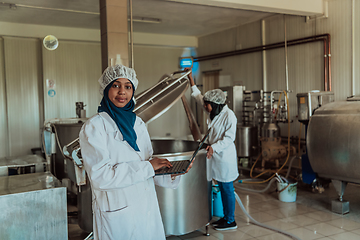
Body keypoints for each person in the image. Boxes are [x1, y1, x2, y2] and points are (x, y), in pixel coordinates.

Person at [79, 64, 190, 240]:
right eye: (116, 85)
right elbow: (101, 177)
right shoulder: (94, 127)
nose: (122, 91)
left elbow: (147, 163)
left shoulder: (138, 123)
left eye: (128, 86)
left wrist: (170, 172)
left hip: (146, 208)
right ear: (106, 89)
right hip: (117, 212)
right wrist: (148, 167)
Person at [186, 68, 239, 231]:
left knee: (227, 188)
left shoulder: (229, 116)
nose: (205, 107)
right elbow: (198, 97)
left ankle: (231, 221)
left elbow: (229, 139)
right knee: (221, 187)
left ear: (215, 104)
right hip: (215, 155)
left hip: (225, 157)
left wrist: (213, 147)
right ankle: (225, 217)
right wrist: (191, 79)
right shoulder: (214, 111)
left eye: (208, 105)